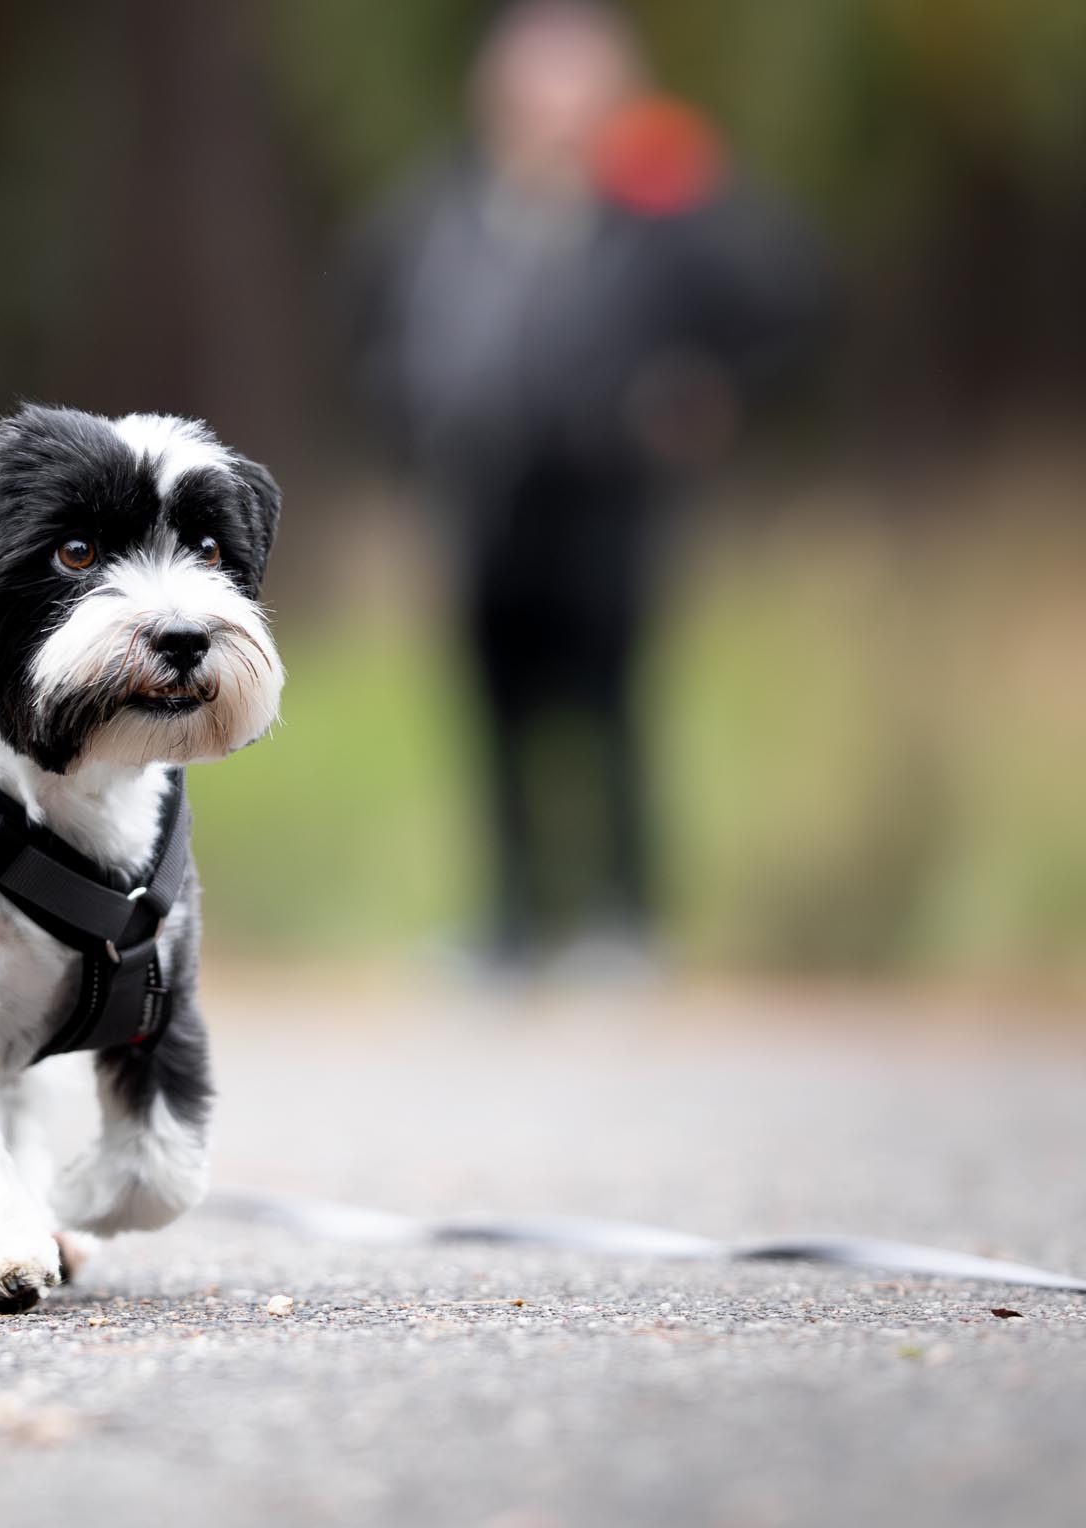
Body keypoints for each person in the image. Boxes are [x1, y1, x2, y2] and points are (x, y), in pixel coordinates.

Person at [351, 0, 823, 975]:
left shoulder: (658, 204)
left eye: (578, 79)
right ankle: (512, 922)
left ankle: (622, 921)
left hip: (608, 496)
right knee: (493, 714)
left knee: (611, 706)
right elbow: (372, 318)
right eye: (537, 78)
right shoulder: (445, 208)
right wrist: (410, 428)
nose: (555, 103)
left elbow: (783, 291)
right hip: (483, 494)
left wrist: (710, 391)